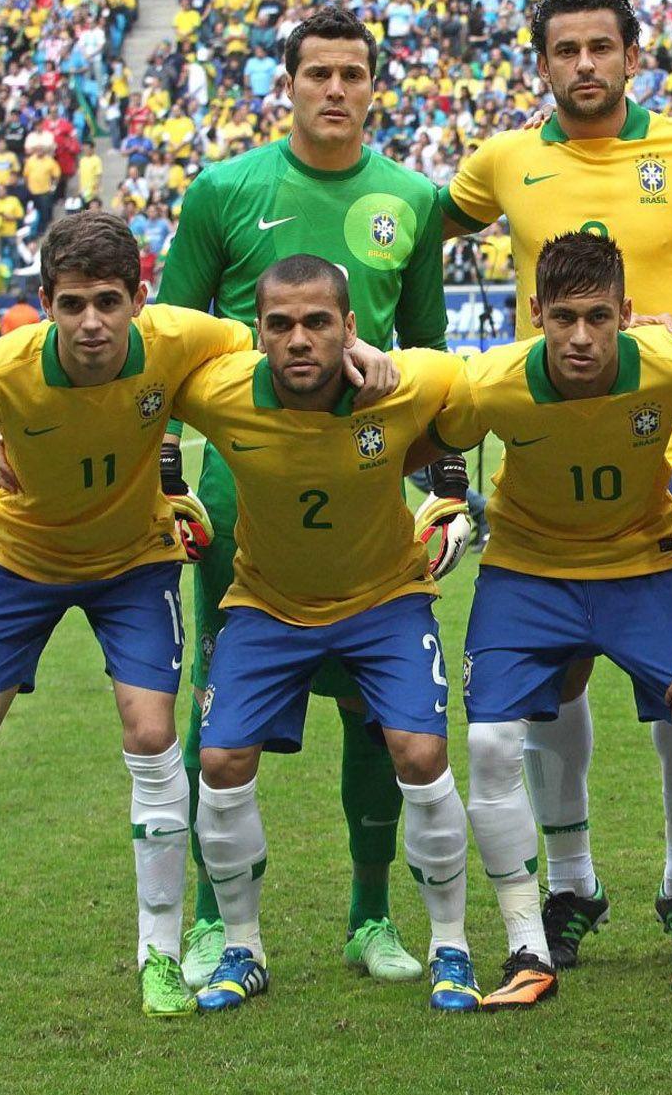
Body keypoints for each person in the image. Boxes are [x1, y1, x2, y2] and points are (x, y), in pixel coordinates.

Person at [441, 0, 672, 967]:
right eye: (564, 50)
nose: (583, 64)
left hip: (663, 457)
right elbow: (418, 239)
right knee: (556, 682)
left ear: (632, 56)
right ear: (541, 62)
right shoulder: (502, 161)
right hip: (543, 445)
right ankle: (574, 880)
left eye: (600, 47)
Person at [155, 3, 447, 989]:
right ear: (288, 84)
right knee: (218, 715)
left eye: (350, 73)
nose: (333, 89)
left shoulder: (411, 197)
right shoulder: (223, 192)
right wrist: (159, 480)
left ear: (373, 85)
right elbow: (164, 345)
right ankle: (211, 919)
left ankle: (371, 916)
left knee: (380, 714)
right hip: (241, 507)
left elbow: (431, 359)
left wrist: (442, 490)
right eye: (315, 72)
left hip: (369, 498)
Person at [0, 212, 252, 1018]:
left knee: (151, 730)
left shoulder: (182, 338)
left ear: (138, 298)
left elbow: (260, 356)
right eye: (72, 304)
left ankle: (159, 956)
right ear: (45, 303)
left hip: (133, 559)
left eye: (107, 300)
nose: (91, 321)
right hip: (18, 561)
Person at [421, 232, 672, 1009]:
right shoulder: (493, 381)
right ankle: (527, 947)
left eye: (599, 317)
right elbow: (424, 434)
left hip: (641, 564)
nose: (579, 337)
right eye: (562, 317)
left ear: (627, 314)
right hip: (528, 570)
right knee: (491, 743)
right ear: (534, 314)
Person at [173, 254, 477, 1014]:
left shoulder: (401, 383)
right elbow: (134, 379)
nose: (299, 339)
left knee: (420, 751)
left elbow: (468, 387)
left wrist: (451, 492)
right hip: (268, 605)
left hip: (385, 601)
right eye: (280, 324)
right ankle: (242, 944)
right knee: (220, 756)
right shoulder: (220, 391)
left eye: (318, 322)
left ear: (350, 328)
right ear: (258, 333)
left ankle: (451, 945)